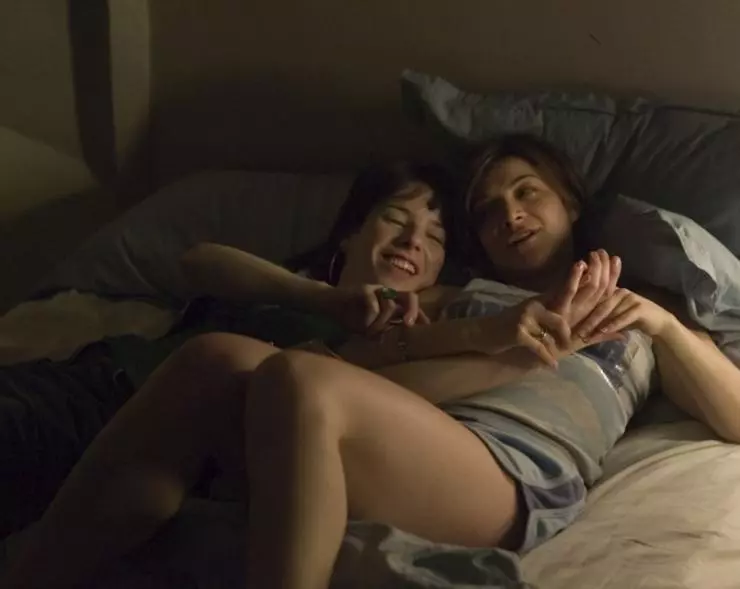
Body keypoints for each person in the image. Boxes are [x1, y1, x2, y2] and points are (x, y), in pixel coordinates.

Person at [5, 135, 740, 589]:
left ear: (572, 205)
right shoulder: (457, 297)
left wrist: (658, 322)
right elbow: (360, 371)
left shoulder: (640, 310)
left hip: (515, 471)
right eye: (488, 211)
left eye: (527, 194)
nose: (509, 214)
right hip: (412, 442)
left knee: (299, 377)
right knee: (215, 357)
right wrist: (499, 343)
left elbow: (734, 416)